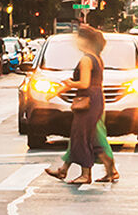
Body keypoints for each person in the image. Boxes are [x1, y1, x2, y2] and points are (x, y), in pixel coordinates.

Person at [44, 24, 108, 185]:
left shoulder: (86, 59)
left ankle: (85, 174)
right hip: (95, 99)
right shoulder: (96, 57)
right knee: (80, 135)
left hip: (88, 100)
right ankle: (63, 170)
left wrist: (70, 84)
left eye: (79, 39)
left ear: (86, 41)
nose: (77, 43)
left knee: (81, 136)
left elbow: (84, 83)